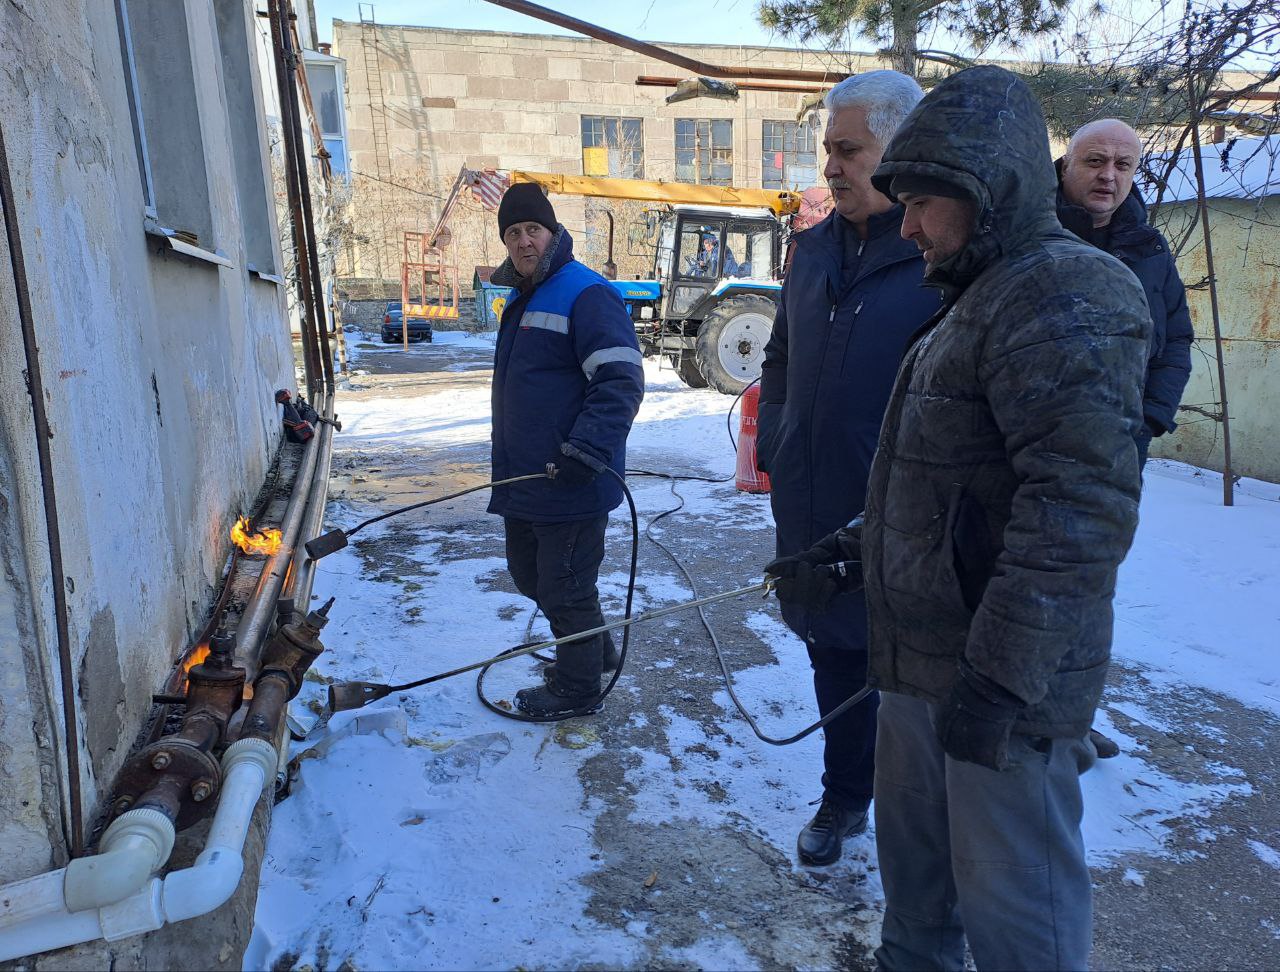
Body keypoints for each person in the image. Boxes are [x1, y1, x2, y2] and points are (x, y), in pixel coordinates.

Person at [766, 65, 1151, 969]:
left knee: (1018, 922)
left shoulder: (1063, 295)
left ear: (985, 189)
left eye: (922, 204)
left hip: (997, 688)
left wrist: (1001, 685)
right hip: (921, 667)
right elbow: (931, 485)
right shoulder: (971, 294)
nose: (906, 228)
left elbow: (1077, 517)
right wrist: (848, 553)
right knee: (918, 900)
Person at [757, 70, 938, 867]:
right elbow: (780, 354)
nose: (831, 167)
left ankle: (920, 823)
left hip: (900, 514)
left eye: (848, 150)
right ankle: (844, 797)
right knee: (832, 654)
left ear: (897, 152)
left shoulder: (937, 254)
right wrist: (777, 438)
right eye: (828, 150)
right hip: (811, 500)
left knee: (902, 673)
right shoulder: (811, 249)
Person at [1058, 117, 1195, 760]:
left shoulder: (1148, 247)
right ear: (1066, 165)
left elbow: (1177, 341)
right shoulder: (1029, 233)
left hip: (1116, 456)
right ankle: (1018, 717)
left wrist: (1148, 421)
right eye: (1094, 161)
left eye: (1123, 164)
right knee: (1021, 581)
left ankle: (1071, 717)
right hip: (1029, 451)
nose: (1108, 176)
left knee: (1092, 587)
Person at [488, 183, 645, 718]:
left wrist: (587, 450)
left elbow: (620, 379)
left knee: (566, 586)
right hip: (527, 479)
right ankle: (595, 651)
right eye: (513, 232)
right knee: (531, 575)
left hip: (572, 476)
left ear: (553, 233)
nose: (523, 241)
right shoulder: (522, 296)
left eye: (533, 229)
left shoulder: (586, 292)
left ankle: (578, 689)